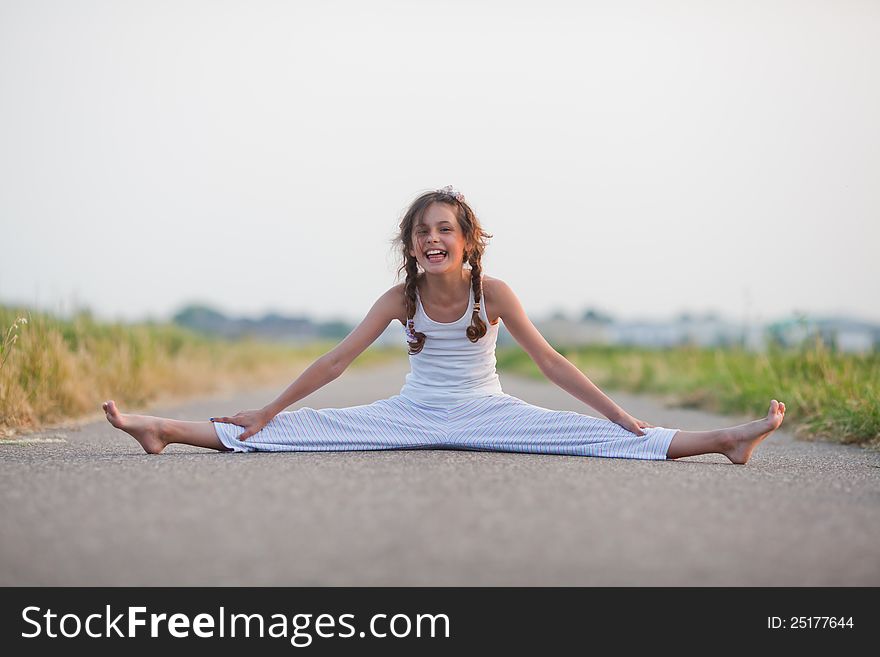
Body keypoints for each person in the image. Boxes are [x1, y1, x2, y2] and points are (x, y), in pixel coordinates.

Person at [102, 185, 785, 464]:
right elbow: (337, 362)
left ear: (466, 241)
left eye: (444, 230)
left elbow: (551, 365)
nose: (433, 239)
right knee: (286, 431)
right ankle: (161, 428)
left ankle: (726, 438)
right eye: (422, 232)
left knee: (598, 435)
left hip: (488, 412)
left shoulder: (496, 292)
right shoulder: (401, 299)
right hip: (413, 413)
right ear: (412, 246)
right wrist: (271, 405)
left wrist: (619, 412)